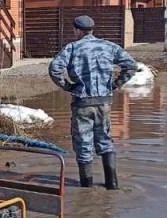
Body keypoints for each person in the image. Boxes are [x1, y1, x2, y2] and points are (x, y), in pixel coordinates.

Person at [48, 15, 138, 189]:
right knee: (105, 141)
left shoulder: (72, 48)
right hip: (104, 102)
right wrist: (115, 84)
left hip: (82, 102)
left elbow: (54, 68)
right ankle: (112, 185)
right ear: (92, 29)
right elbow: (131, 65)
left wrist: (68, 86)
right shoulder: (109, 46)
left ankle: (86, 190)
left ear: (76, 30)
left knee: (83, 145)